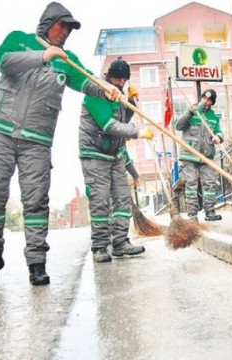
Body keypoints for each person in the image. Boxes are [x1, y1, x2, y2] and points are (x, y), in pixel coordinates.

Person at [0, 2, 121, 287]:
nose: (65, 32)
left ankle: (36, 264)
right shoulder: (19, 39)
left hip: (38, 141)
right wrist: (42, 55)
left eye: (69, 28)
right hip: (0, 131)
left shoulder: (67, 60)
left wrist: (108, 90)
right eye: (62, 25)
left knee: (36, 201)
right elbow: (4, 61)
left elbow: (87, 83)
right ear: (48, 23)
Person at [79, 58, 153, 263]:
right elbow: (109, 125)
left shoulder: (118, 94)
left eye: (124, 80)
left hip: (115, 154)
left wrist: (130, 102)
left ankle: (120, 243)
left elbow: (123, 120)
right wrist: (138, 133)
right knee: (101, 201)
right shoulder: (97, 92)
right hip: (95, 154)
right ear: (108, 76)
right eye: (117, 78)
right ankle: (100, 246)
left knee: (122, 198)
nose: (120, 83)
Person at [175, 89, 224, 222]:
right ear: (201, 97)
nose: (206, 101)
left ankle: (210, 211)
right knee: (191, 184)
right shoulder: (191, 111)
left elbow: (219, 131)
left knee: (210, 184)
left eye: (209, 100)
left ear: (212, 103)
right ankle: (192, 215)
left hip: (206, 155)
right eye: (204, 98)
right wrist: (189, 112)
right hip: (189, 154)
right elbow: (178, 126)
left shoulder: (214, 116)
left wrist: (218, 137)